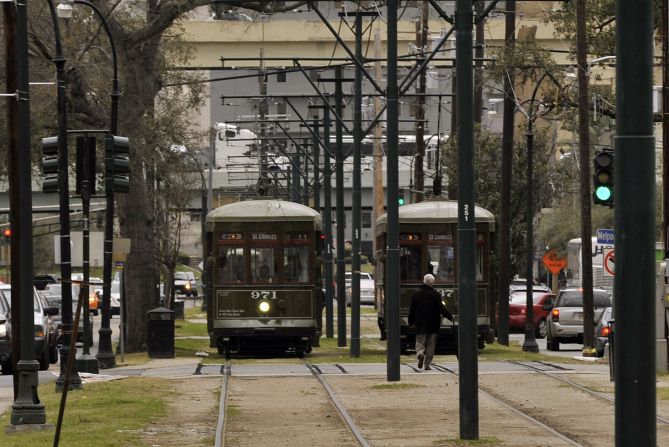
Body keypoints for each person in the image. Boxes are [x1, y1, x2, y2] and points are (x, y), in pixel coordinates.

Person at [408, 273, 453, 371]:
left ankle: (420, 354)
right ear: (432, 283)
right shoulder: (436, 295)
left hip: (420, 324)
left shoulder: (416, 294)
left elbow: (412, 310)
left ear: (424, 281)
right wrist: (450, 317)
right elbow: (441, 308)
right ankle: (427, 364)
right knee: (431, 344)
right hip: (433, 324)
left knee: (420, 342)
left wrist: (410, 322)